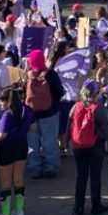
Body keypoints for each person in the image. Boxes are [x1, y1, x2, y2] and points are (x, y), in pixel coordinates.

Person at [0, 89, 32, 215]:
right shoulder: (27, 110)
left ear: (7, 101)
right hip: (22, 146)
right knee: (18, 179)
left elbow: (2, 135)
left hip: (6, 149)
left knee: (5, 183)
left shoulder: (7, 115)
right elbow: (33, 127)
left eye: (1, 100)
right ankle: (19, 211)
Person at [67, 83, 108, 215]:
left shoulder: (76, 106)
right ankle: (96, 205)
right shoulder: (100, 108)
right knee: (95, 176)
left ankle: (78, 206)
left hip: (78, 145)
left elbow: (68, 126)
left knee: (81, 176)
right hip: (96, 145)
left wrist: (66, 144)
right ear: (97, 93)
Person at [24, 49, 64, 178]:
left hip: (31, 114)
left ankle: (34, 168)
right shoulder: (50, 74)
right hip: (50, 113)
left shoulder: (28, 74)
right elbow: (59, 92)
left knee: (32, 143)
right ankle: (50, 168)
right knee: (50, 141)